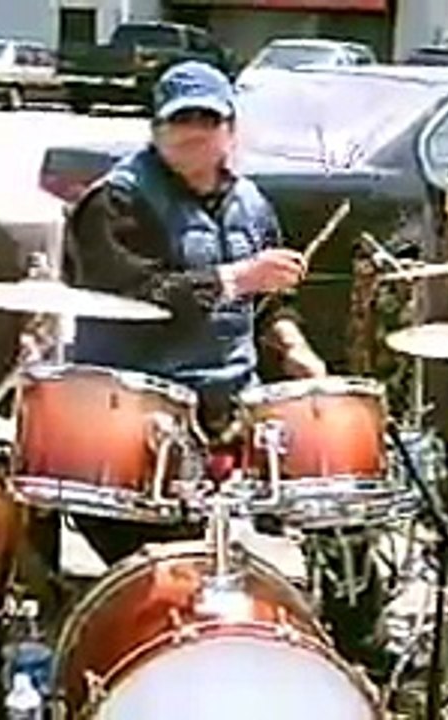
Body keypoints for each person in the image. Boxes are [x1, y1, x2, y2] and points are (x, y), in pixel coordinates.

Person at [61, 60, 327, 564]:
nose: (194, 133)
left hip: (231, 406)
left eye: (208, 121)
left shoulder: (251, 203)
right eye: (181, 121)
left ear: (231, 130)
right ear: (156, 128)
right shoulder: (117, 201)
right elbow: (131, 293)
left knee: (339, 506)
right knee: (174, 564)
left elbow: (271, 300)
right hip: (142, 415)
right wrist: (236, 278)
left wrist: (293, 346)